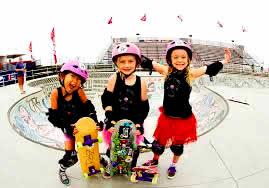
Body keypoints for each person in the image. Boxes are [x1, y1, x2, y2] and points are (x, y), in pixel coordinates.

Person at [140, 39, 232, 179]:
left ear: (188, 59)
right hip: (167, 118)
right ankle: (155, 160)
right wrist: (133, 55)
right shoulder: (166, 71)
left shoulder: (191, 74)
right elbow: (149, 63)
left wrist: (224, 61)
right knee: (158, 144)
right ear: (170, 60)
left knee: (177, 146)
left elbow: (210, 68)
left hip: (183, 120)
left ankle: (173, 165)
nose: (180, 60)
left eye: (183, 57)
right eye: (175, 57)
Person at [46, 60, 107, 185]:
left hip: (83, 126)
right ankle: (62, 170)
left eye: (79, 79)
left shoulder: (79, 91)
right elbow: (54, 117)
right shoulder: (56, 93)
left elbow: (89, 108)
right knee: (71, 157)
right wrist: (68, 128)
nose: (75, 82)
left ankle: (101, 161)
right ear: (62, 76)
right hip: (67, 127)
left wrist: (95, 122)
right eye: (72, 76)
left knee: (90, 148)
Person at [101, 42, 150, 179]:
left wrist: (139, 123)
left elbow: (144, 106)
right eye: (122, 61)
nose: (127, 65)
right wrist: (109, 120)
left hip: (133, 123)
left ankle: (131, 166)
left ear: (137, 63)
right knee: (113, 148)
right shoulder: (113, 78)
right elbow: (107, 100)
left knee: (133, 149)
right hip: (114, 122)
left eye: (130, 61)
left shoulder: (141, 83)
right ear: (117, 63)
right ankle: (112, 165)